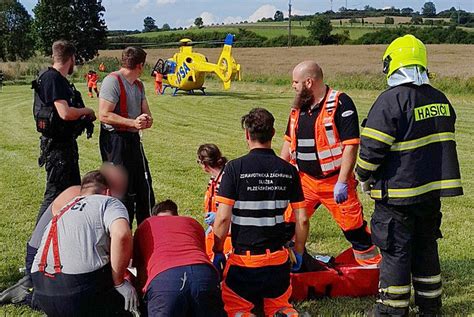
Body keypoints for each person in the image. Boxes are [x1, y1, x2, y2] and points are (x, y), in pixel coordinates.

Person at [356, 34, 463, 316]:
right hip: (430, 194)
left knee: (396, 252)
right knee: (426, 248)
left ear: (391, 65)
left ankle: (392, 310)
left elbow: (371, 149)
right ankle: (430, 307)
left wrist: (362, 176)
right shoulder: (440, 99)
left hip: (397, 197)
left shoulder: (391, 100)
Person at [280, 61, 380, 266]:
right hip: (305, 182)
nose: (293, 86)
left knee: (354, 229)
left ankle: (374, 270)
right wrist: (280, 172)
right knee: (286, 225)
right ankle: (288, 265)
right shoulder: (298, 108)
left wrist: (343, 181)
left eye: (296, 82)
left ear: (309, 82)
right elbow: (289, 142)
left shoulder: (341, 103)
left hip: (334, 182)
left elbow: (351, 145)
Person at [212, 108, 309, 316]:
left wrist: (218, 249)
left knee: (235, 308)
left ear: (247, 134)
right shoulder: (288, 171)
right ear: (273, 133)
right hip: (278, 261)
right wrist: (299, 252)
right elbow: (302, 219)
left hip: (244, 263)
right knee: (280, 306)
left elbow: (222, 218)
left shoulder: (234, 168)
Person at [0, 164, 128, 308]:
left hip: (40, 261)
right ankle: (31, 295)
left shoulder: (76, 195)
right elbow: (115, 237)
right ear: (107, 189)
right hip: (48, 263)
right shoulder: (93, 200)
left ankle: (34, 291)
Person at [30, 170, 138, 316]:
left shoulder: (65, 207)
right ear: (107, 192)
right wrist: (119, 282)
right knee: (126, 303)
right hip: (76, 291)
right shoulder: (108, 202)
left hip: (42, 289)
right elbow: (122, 234)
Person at [33, 40, 96, 223]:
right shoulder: (53, 78)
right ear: (72, 58)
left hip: (64, 146)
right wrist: (87, 111)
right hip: (57, 150)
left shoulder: (52, 77)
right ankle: (36, 245)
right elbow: (65, 113)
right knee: (54, 195)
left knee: (73, 191)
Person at [133, 199, 226, 317]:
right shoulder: (192, 223)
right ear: (176, 214)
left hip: (165, 280)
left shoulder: (147, 225)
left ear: (154, 216)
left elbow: (141, 272)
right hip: (204, 275)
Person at [99, 46, 156, 226]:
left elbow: (146, 112)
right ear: (140, 65)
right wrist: (133, 123)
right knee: (121, 189)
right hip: (115, 141)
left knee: (143, 185)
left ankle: (146, 229)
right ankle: (121, 232)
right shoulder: (112, 81)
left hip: (133, 141)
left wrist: (147, 120)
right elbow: (104, 114)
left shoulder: (139, 85)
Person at [196, 143, 232, 259]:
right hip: (215, 229)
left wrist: (217, 218)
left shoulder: (226, 181)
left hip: (227, 233)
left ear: (205, 164)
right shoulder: (214, 179)